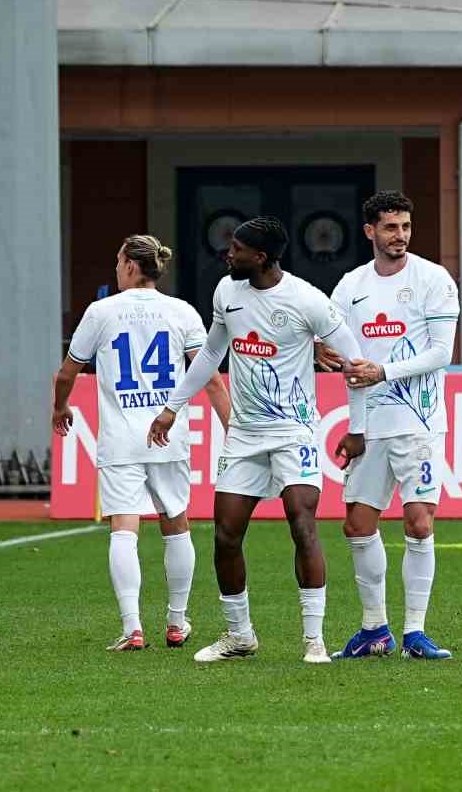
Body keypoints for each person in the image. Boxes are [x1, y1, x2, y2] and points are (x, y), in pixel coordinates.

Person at [147, 217, 368, 665]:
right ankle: (240, 635)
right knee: (226, 534)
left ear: (261, 258)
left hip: (294, 432)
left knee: (302, 524)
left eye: (237, 249)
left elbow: (356, 362)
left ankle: (313, 640)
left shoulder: (307, 300)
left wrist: (357, 428)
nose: (228, 254)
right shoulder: (226, 293)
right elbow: (212, 352)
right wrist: (172, 406)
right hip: (244, 435)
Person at [52, 236, 232, 651]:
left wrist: (60, 407)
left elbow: (67, 373)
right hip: (168, 436)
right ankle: (177, 621)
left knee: (123, 527)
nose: (116, 268)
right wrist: (233, 429)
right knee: (176, 523)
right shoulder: (181, 311)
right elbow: (211, 378)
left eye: (119, 261)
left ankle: (132, 628)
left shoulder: (101, 311)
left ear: (131, 266)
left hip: (121, 439)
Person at [322, 191, 459, 661]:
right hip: (370, 425)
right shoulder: (350, 286)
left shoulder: (433, 279)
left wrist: (384, 372)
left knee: (418, 523)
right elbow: (343, 357)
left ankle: (416, 632)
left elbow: (442, 353)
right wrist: (355, 424)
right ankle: (374, 629)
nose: (400, 235)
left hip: (419, 423)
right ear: (370, 232)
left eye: (405, 226)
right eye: (390, 227)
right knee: (357, 524)